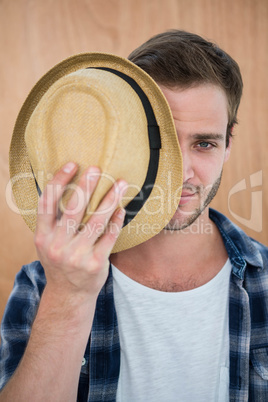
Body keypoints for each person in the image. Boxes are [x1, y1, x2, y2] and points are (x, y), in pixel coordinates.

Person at [0, 29, 267, 402]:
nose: (184, 174)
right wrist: (68, 296)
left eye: (204, 143)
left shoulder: (265, 281)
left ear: (228, 144)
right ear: (131, 139)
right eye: (165, 143)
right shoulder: (43, 285)